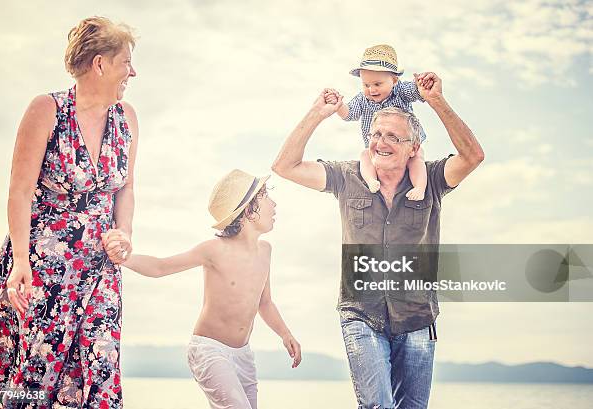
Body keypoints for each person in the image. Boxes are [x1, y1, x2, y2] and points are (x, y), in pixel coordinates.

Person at [272, 73, 484, 408]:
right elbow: (284, 166)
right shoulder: (347, 177)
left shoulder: (430, 178)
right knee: (377, 405)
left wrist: (437, 101)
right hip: (360, 313)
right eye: (376, 134)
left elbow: (472, 156)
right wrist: (317, 113)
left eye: (392, 137)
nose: (380, 143)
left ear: (413, 147)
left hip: (417, 317)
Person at [0, 16, 139, 409]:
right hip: (43, 267)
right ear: (99, 64)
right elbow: (19, 191)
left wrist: (124, 233)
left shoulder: (128, 118)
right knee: (36, 373)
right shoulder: (47, 109)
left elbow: (126, 188)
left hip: (100, 268)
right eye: (126, 62)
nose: (132, 72)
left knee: (100, 367)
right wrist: (20, 261)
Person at [102, 169, 301, 409]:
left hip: (243, 355)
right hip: (210, 351)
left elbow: (265, 302)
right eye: (266, 196)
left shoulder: (265, 251)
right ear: (248, 210)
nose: (274, 203)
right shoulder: (214, 250)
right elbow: (161, 267)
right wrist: (125, 259)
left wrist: (285, 333)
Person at [325, 44, 430, 199]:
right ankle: (371, 180)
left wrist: (421, 84)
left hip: (406, 145)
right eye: (366, 85)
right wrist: (338, 106)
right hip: (377, 149)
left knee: (417, 157)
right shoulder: (362, 99)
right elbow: (349, 113)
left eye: (377, 84)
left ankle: (420, 188)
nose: (371, 90)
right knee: (364, 156)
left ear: (394, 80)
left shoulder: (400, 91)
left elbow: (417, 93)